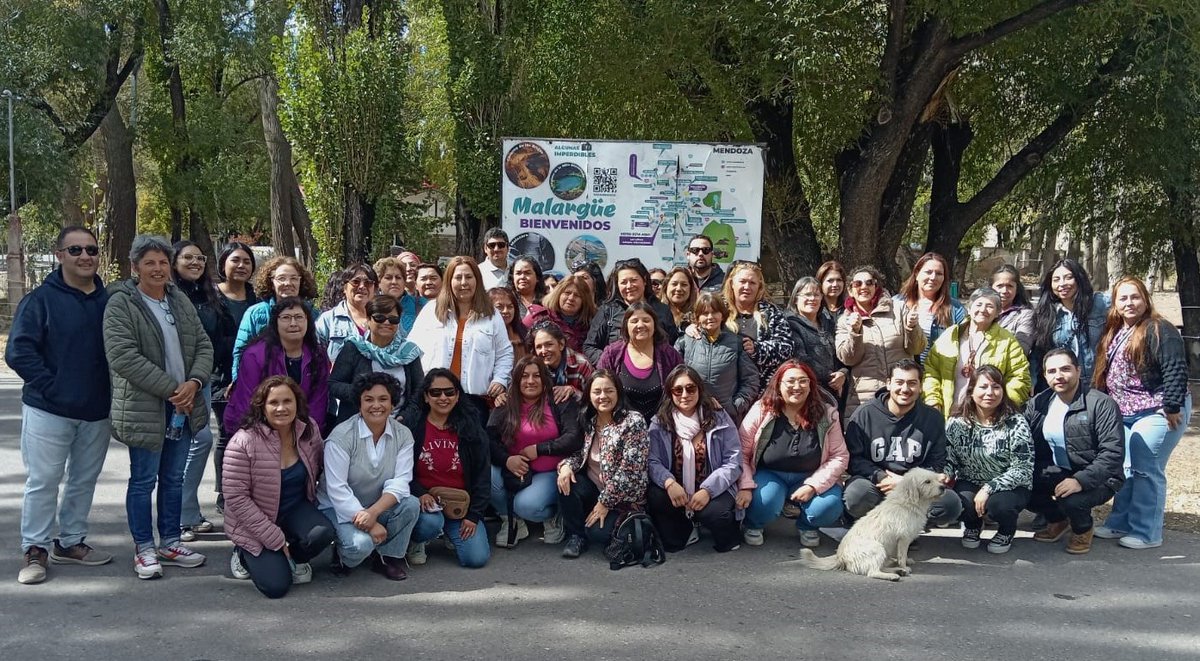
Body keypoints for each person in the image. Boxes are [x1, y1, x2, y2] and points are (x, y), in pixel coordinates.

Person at [7, 226, 113, 584]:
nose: (85, 256)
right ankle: (34, 549)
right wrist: (53, 386)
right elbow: (19, 351)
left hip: (96, 410)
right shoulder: (40, 300)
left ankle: (70, 543)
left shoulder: (110, 301)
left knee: (84, 479)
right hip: (48, 409)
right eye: (75, 250)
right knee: (44, 480)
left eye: (91, 250)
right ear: (59, 255)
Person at [103, 235, 214, 579]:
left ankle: (169, 540)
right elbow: (123, 356)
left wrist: (193, 383)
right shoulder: (122, 303)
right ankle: (144, 547)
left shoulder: (178, 301)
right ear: (135, 267)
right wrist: (172, 390)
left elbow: (204, 347)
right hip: (146, 407)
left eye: (163, 262)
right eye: (150, 262)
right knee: (143, 479)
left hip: (183, 405)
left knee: (172, 477)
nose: (158, 268)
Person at [1091, 276, 1191, 549]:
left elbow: (1175, 368)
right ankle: (1120, 523)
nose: (1129, 303)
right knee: (1125, 468)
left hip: (1156, 411)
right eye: (1122, 298)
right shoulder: (1116, 330)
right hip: (1124, 412)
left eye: (1134, 297)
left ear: (1146, 299)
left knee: (1146, 469)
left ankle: (1147, 532)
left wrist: (1171, 405)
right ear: (1114, 304)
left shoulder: (1160, 329)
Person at [223, 376, 336, 598]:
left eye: (287, 401)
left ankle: (292, 555)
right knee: (276, 587)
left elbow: (323, 467)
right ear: (262, 407)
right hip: (255, 517)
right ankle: (243, 553)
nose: (281, 408)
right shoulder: (243, 441)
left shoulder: (308, 429)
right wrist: (273, 536)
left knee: (323, 533)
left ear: (297, 403)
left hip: (294, 508)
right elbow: (236, 498)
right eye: (273, 403)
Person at [317, 373, 421, 580]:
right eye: (368, 399)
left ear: (393, 404)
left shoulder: (403, 435)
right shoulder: (341, 436)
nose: (376, 405)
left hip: (375, 504)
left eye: (383, 399)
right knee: (359, 547)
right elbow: (337, 489)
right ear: (359, 403)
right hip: (337, 507)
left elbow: (401, 481)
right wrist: (370, 523)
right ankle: (342, 553)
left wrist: (373, 513)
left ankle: (386, 557)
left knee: (411, 504)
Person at [737, 360, 848, 548]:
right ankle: (753, 524)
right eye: (790, 381)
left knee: (829, 505)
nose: (797, 387)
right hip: (769, 473)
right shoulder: (762, 410)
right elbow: (741, 452)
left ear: (811, 385)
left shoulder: (827, 415)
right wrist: (746, 485)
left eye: (803, 381)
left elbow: (839, 455)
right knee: (765, 502)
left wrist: (814, 486)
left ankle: (807, 525)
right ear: (778, 384)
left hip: (810, 475)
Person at [1025, 349, 1125, 554]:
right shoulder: (1039, 403)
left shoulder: (1101, 404)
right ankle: (1058, 520)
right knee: (1022, 488)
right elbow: (1022, 439)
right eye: (1051, 371)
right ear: (1045, 376)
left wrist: (1080, 480)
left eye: (1065, 369)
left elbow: (1112, 453)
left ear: (1078, 371)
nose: (1058, 376)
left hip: (1100, 477)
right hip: (1059, 470)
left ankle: (1083, 528)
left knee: (1072, 500)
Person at [842, 360, 961, 526]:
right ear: (888, 384)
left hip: (916, 486)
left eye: (912, 383)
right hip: (876, 483)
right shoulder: (865, 414)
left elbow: (937, 462)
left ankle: (908, 527)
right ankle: (877, 526)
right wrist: (880, 476)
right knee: (857, 496)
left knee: (949, 504)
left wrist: (907, 482)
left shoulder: (933, 418)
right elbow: (853, 459)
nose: (905, 389)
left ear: (920, 386)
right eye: (899, 382)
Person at [171, 240, 235, 542]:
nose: (195, 262)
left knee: (198, 442)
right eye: (187, 257)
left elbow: (220, 337)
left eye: (199, 258)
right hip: (175, 383)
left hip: (205, 379)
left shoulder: (210, 295)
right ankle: (178, 516)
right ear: (174, 262)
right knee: (193, 442)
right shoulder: (169, 295)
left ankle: (188, 512)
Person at [488, 357, 583, 547]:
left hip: (548, 471)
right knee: (486, 473)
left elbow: (574, 437)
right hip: (514, 468)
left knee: (526, 505)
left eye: (536, 376)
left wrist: (540, 449)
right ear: (516, 380)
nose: (530, 381)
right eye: (524, 376)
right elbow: (488, 439)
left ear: (545, 379)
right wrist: (507, 460)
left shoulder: (559, 400)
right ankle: (512, 520)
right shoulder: (505, 403)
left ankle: (553, 516)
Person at [646, 366, 743, 552]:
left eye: (691, 388)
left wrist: (708, 490)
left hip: (713, 489)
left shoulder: (719, 418)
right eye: (678, 389)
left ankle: (720, 528)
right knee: (657, 502)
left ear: (699, 390)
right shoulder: (660, 422)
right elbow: (652, 460)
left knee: (718, 518)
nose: (684, 394)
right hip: (677, 492)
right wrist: (669, 483)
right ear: (670, 393)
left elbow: (733, 461)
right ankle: (686, 524)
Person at [556, 370, 650, 558]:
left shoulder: (633, 421)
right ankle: (576, 536)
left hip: (624, 499)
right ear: (589, 395)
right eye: (596, 391)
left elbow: (629, 472)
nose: (602, 396)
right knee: (565, 480)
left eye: (609, 391)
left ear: (618, 393)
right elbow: (581, 454)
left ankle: (618, 528)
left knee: (597, 534)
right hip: (595, 491)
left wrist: (604, 503)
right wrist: (566, 466)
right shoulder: (589, 421)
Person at [410, 256, 514, 424]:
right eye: (458, 277)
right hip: (435, 397)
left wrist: (500, 379)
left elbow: (505, 353)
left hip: (474, 400)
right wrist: (419, 385)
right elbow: (412, 350)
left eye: (469, 277)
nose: (464, 282)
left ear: (477, 280)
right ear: (449, 281)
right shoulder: (431, 311)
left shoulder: (491, 315)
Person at [405, 369, 492, 568]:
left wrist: (474, 516)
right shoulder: (413, 427)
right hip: (424, 504)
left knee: (475, 559)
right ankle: (418, 540)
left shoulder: (472, 427)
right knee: (430, 524)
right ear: (426, 397)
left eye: (449, 392)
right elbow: (400, 471)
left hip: (460, 504)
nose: (443, 397)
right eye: (435, 393)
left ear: (457, 395)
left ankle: (450, 532)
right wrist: (419, 493)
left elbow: (482, 476)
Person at [944, 366, 1034, 554]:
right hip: (970, 480)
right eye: (983, 387)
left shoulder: (1016, 422)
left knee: (999, 505)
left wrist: (989, 488)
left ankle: (1006, 531)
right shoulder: (956, 422)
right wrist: (944, 475)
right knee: (959, 501)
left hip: (1011, 486)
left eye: (996, 387)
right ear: (971, 391)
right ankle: (973, 525)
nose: (990, 393)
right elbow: (950, 458)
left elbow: (1023, 468)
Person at [224, 298, 330, 434]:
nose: (293, 323)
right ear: (276, 322)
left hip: (300, 431)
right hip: (256, 429)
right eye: (286, 318)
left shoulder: (318, 355)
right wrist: (267, 437)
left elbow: (318, 404)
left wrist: (305, 435)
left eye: (299, 317)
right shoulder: (255, 355)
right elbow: (247, 402)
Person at [923, 287, 1031, 418]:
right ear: (969, 308)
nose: (983, 310)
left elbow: (1020, 378)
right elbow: (931, 371)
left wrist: (1002, 407)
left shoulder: (1007, 341)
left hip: (988, 418)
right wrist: (933, 401)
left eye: (990, 306)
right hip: (948, 414)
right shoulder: (950, 336)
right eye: (979, 304)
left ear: (998, 313)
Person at [836, 265, 925, 418]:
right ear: (850, 290)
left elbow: (916, 349)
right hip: (866, 397)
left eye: (869, 283)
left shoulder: (898, 309)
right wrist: (855, 333)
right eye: (858, 284)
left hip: (902, 392)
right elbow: (849, 359)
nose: (864, 287)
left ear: (876, 286)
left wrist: (911, 327)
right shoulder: (845, 320)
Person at [329, 294, 424, 427]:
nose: (386, 322)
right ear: (368, 320)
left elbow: (419, 391)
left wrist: (404, 417)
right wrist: (361, 393)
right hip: (357, 425)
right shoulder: (354, 347)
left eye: (393, 319)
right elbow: (334, 384)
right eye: (379, 317)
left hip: (399, 426)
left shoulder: (409, 352)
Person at [213, 242, 258, 513]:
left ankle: (248, 490)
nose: (241, 266)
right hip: (221, 375)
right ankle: (225, 493)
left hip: (254, 376)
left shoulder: (257, 300)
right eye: (235, 260)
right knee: (227, 435)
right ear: (223, 264)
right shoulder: (211, 296)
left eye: (246, 261)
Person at [674, 293, 760, 422]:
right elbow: (672, 377)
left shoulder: (737, 343)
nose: (710, 317)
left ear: (722, 315)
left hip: (727, 417)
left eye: (714, 312)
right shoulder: (685, 342)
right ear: (697, 317)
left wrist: (736, 406)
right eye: (704, 313)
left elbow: (751, 380)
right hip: (692, 415)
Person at [233, 256, 319, 379]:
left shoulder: (313, 314)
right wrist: (238, 382)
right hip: (262, 381)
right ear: (271, 283)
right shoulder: (255, 313)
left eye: (294, 278)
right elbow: (241, 351)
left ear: (301, 282)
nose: (288, 283)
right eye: (281, 278)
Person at [596, 302, 684, 422]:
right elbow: (598, 387)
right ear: (626, 325)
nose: (640, 325)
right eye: (634, 321)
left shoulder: (669, 354)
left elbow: (684, 384)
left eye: (646, 320)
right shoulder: (612, 354)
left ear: (655, 324)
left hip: (662, 427)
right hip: (622, 427)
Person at [1031, 258, 1109, 390]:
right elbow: (1038, 353)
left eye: (1068, 278)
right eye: (1056, 280)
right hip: (1065, 387)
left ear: (1079, 279)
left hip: (1099, 385)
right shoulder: (1045, 313)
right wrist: (1031, 380)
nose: (1062, 284)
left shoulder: (1101, 303)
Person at [585, 258, 679, 361]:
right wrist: (611, 361)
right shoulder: (607, 311)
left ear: (644, 280)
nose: (629, 286)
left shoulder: (662, 310)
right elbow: (589, 347)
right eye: (623, 282)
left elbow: (674, 346)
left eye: (634, 280)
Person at [720, 261, 793, 379]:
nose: (747, 287)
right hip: (724, 384)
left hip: (762, 386)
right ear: (732, 283)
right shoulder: (717, 309)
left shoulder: (772, 312)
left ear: (759, 287)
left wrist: (757, 349)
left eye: (752, 283)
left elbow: (786, 348)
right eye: (742, 281)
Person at [786, 276, 849, 409]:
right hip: (808, 392)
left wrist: (843, 373)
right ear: (796, 298)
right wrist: (831, 378)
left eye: (816, 295)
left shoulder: (828, 323)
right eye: (807, 294)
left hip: (837, 390)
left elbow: (840, 352)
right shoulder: (790, 324)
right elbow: (801, 359)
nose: (812, 299)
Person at [894, 252, 965, 365]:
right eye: (928, 272)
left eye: (939, 273)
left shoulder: (955, 309)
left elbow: (964, 344)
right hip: (905, 375)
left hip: (937, 375)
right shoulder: (896, 303)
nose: (933, 277)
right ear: (917, 274)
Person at [315, 263, 379, 364]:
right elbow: (315, 358)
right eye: (355, 282)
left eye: (368, 283)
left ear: (375, 289)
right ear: (344, 288)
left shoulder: (386, 319)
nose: (362, 286)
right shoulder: (328, 320)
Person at [522, 273, 596, 353]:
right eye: (567, 293)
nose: (571, 298)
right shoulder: (539, 317)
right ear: (558, 294)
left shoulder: (593, 323)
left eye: (577, 295)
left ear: (584, 301)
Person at [529, 322, 594, 402]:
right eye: (539, 347)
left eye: (549, 344)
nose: (543, 351)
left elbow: (594, 399)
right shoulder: (534, 367)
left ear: (561, 344)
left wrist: (573, 391)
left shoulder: (581, 365)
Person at [992, 264, 1034, 355]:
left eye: (1010, 286)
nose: (1004, 291)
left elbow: (1022, 349)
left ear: (1017, 288)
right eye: (1000, 286)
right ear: (991, 287)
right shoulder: (981, 311)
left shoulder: (1025, 315)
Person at [373, 256, 419, 336]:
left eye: (398, 278)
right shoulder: (370, 306)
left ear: (404, 281)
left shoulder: (420, 304)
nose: (394, 282)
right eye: (388, 278)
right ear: (379, 282)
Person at [489, 287, 528, 361]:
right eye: (499, 307)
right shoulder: (482, 335)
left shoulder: (524, 334)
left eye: (510, 307)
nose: (505, 311)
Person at [662, 267, 698, 333]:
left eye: (684, 285)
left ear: (691, 289)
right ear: (666, 287)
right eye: (674, 284)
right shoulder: (655, 313)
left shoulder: (698, 315)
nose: (678, 289)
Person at [815, 260, 847, 332]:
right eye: (830, 280)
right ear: (820, 283)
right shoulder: (814, 309)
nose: (835, 284)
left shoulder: (849, 309)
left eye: (839, 280)